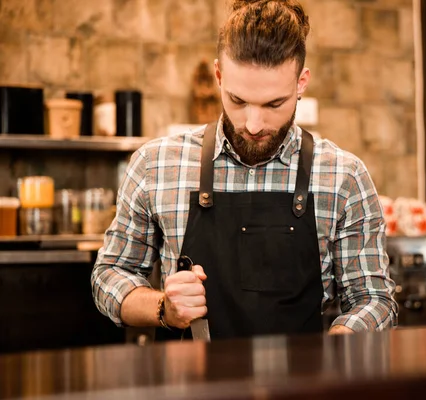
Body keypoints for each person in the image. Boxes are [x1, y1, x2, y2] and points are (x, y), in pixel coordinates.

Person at [91, 0, 398, 340]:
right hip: (190, 389)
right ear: (219, 75)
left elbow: (374, 299)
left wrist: (338, 343)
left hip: (306, 386)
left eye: (274, 104)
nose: (253, 125)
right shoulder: (156, 165)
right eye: (238, 101)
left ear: (301, 83)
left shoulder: (344, 176)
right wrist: (164, 307)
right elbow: (109, 274)